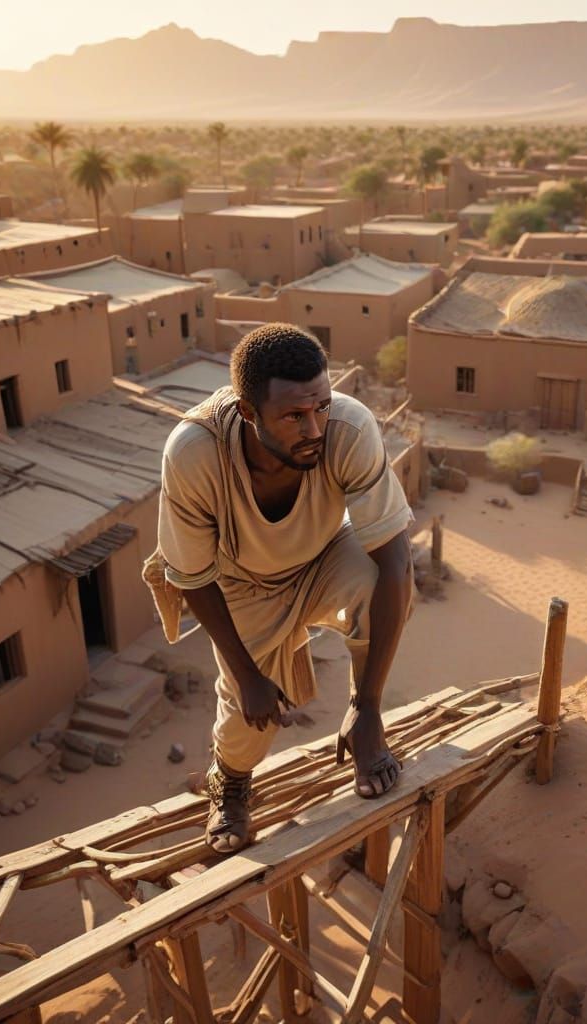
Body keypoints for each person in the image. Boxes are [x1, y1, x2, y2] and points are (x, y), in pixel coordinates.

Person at [154, 323, 414, 853]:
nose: (315, 428)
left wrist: (368, 705)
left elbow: (395, 561)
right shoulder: (195, 453)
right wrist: (249, 675)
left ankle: (361, 724)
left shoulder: (349, 428)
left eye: (320, 405)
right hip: (239, 583)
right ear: (249, 413)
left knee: (373, 582)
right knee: (249, 717)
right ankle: (229, 781)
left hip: (322, 557)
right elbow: (194, 578)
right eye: (294, 416)